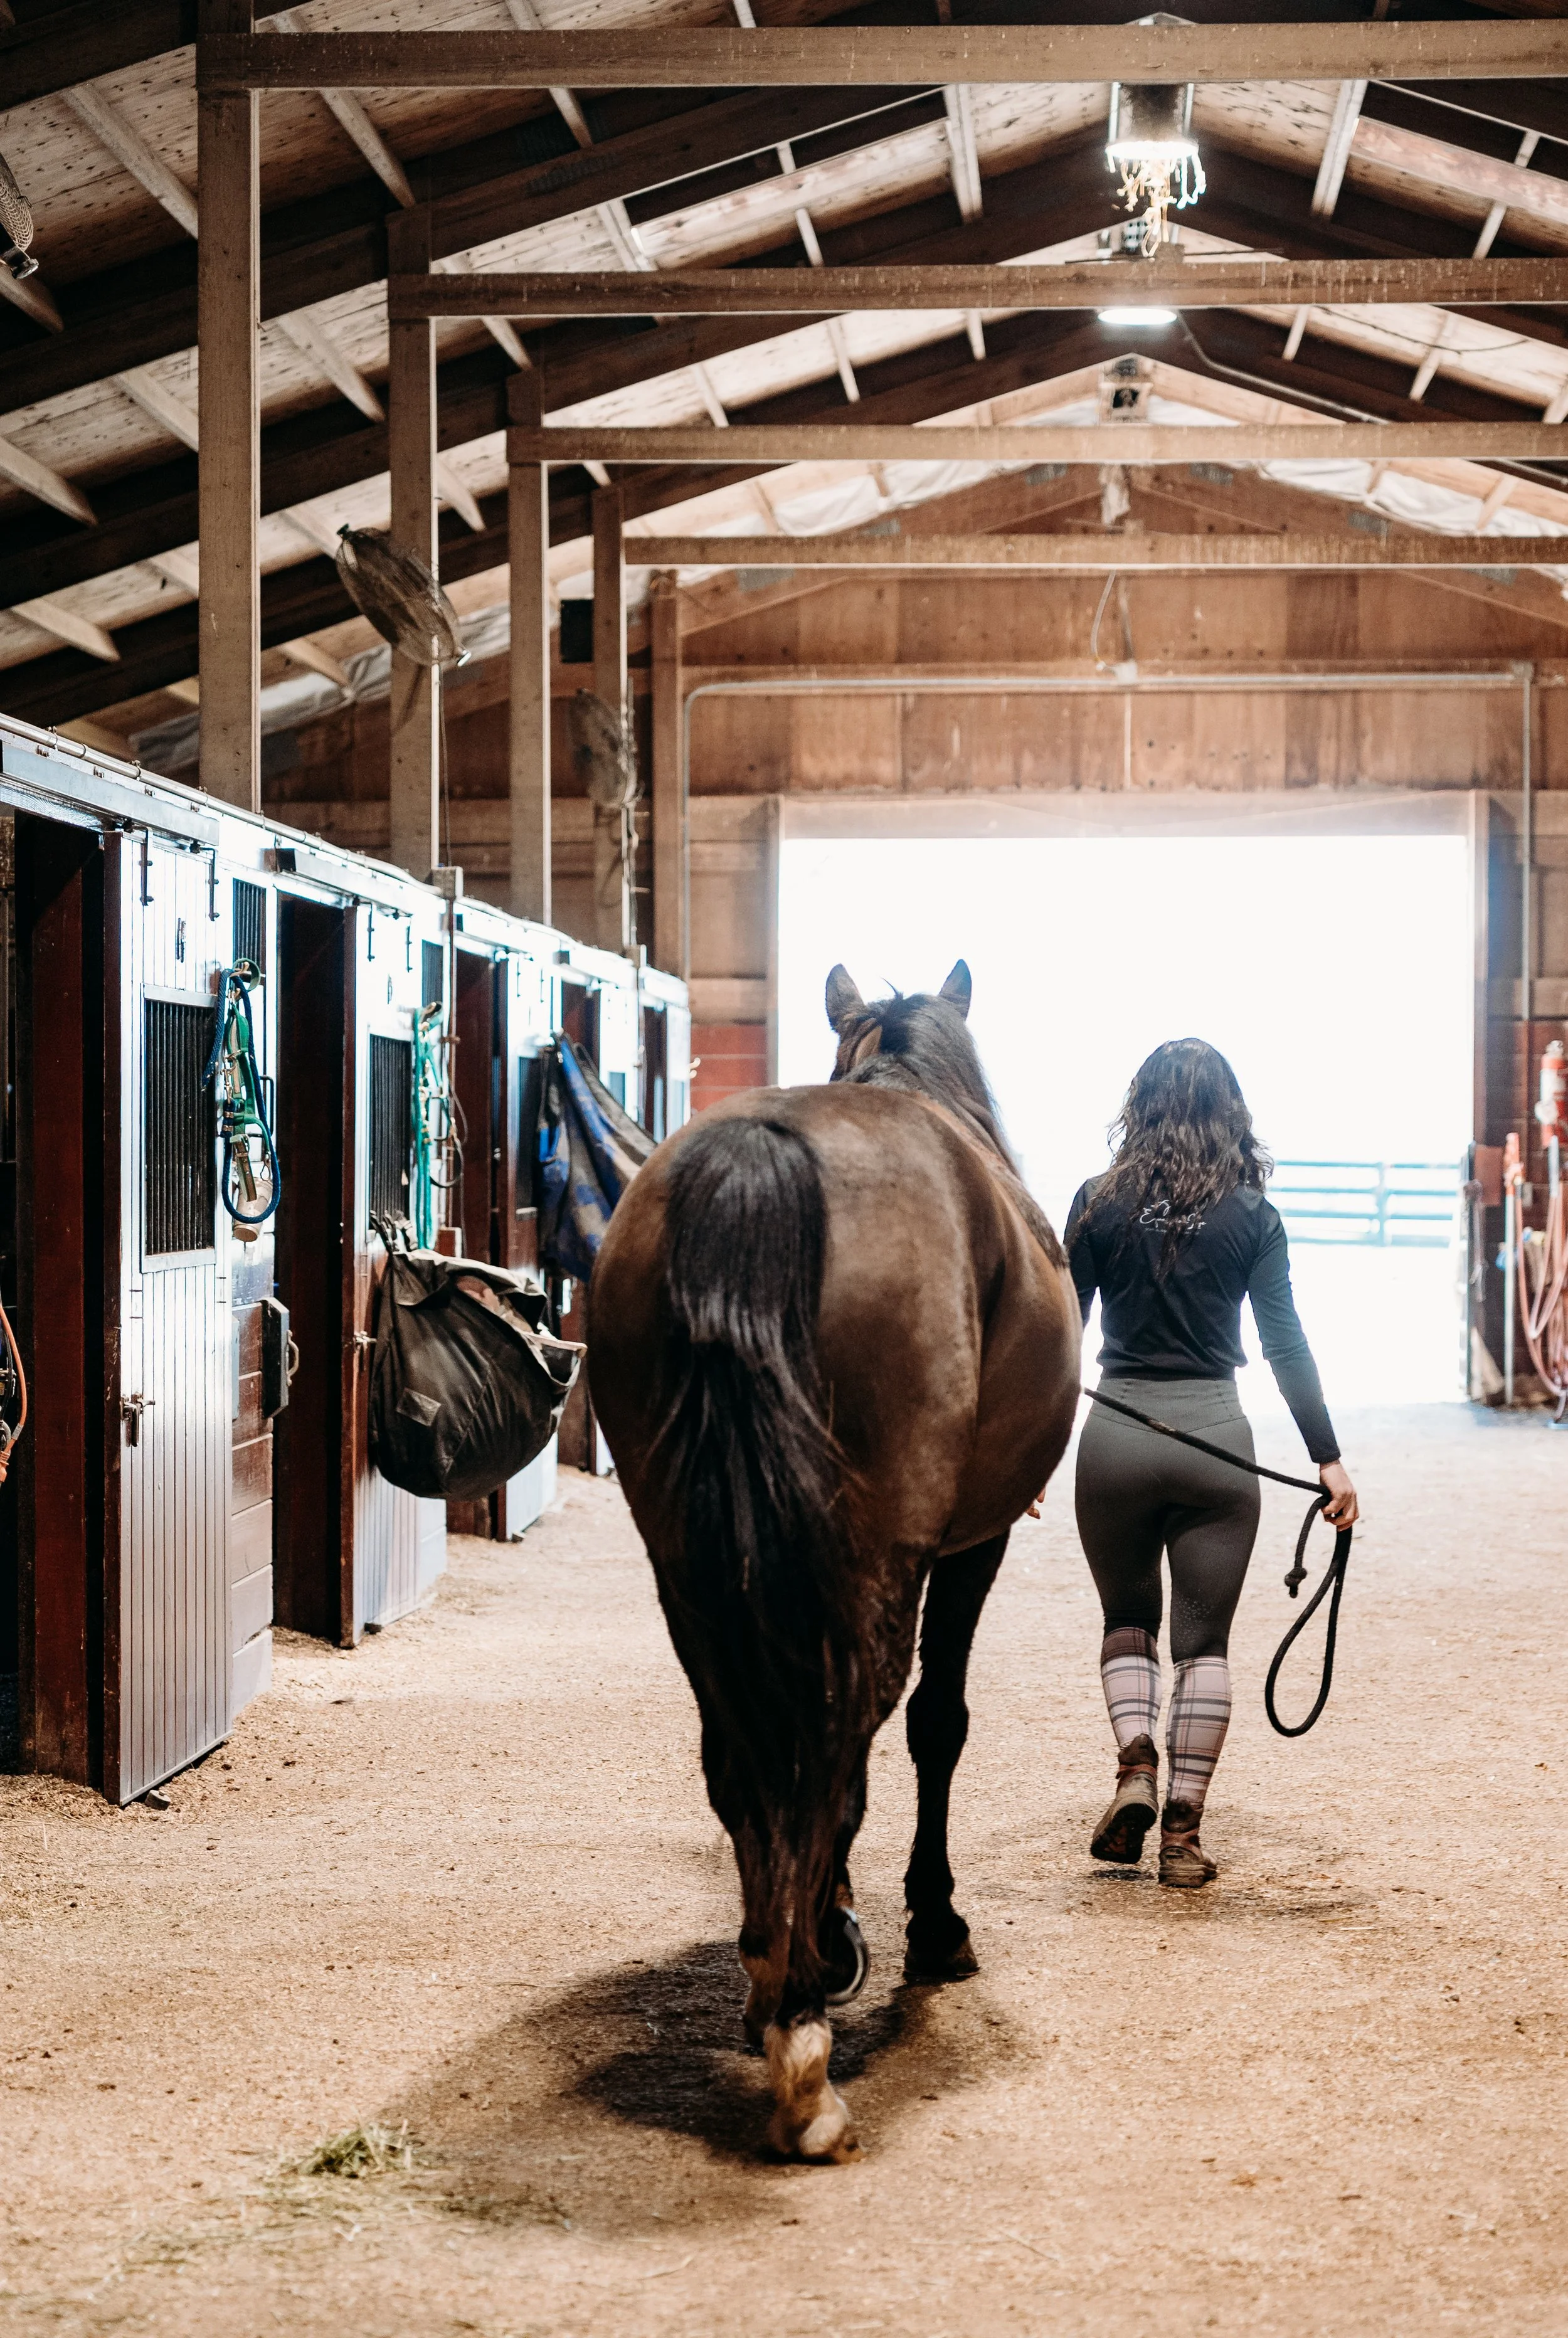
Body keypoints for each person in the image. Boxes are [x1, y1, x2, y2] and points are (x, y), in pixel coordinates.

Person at [1064, 1039, 1357, 1890]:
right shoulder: (1254, 1216)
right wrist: (1328, 1459)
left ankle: (1135, 1769)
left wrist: (1032, 1451)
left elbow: (1057, 1333)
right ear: (1230, 1112)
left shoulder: (1096, 1203)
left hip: (1116, 1436)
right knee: (1204, 1647)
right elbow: (1286, 1347)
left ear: (1139, 1107)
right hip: (1216, 1440)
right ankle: (1182, 1839)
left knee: (1128, 1622)